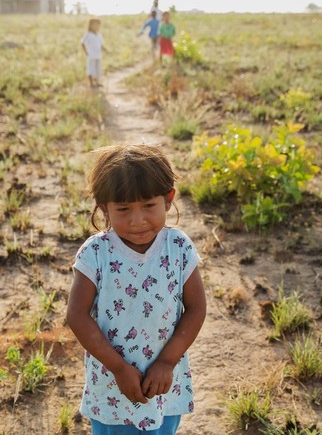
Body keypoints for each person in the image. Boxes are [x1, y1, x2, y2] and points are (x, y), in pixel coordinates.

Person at [67, 144, 206, 434]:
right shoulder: (96, 253)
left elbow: (196, 308)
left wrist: (167, 361)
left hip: (164, 381)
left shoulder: (178, 247)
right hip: (114, 383)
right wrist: (117, 367)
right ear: (104, 207)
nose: (137, 220)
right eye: (123, 209)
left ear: (168, 200)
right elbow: (77, 316)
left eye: (148, 206)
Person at [81, 18, 107, 87]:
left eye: (98, 25)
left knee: (98, 69)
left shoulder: (99, 35)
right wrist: (86, 52)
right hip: (91, 55)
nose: (96, 27)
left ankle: (98, 82)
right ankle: (91, 83)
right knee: (91, 69)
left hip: (98, 55)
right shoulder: (88, 35)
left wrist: (105, 49)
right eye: (95, 25)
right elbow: (83, 43)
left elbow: (101, 44)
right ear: (90, 26)